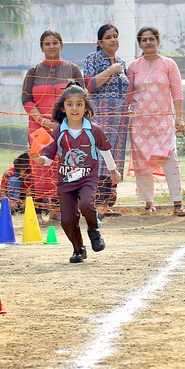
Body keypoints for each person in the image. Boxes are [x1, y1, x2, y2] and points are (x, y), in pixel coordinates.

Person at [35, 81, 120, 264]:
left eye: (79, 104)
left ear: (86, 107)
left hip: (87, 178)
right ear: (63, 108)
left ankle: (93, 229)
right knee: (67, 219)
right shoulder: (58, 132)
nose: (75, 108)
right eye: (70, 104)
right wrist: (39, 159)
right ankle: (78, 249)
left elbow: (105, 151)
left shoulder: (94, 130)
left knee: (87, 205)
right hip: (65, 181)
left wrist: (114, 171)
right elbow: (48, 157)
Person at [22, 30, 84, 218]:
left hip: (67, 126)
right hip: (38, 127)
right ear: (42, 47)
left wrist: (64, 119)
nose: (52, 47)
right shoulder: (33, 71)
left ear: (61, 45)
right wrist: (43, 121)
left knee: (65, 165)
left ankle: (59, 210)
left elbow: (81, 97)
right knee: (40, 166)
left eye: (55, 43)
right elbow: (26, 99)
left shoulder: (72, 69)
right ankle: (39, 212)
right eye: (47, 44)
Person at [127, 26, 185, 216]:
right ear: (139, 44)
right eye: (144, 40)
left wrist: (179, 118)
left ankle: (178, 203)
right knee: (142, 161)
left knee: (171, 158)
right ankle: (148, 203)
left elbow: (177, 93)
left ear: (158, 41)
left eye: (152, 39)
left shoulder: (169, 64)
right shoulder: (133, 66)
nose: (148, 42)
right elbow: (128, 94)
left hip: (163, 121)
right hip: (140, 122)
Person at [84, 23, 129, 215]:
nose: (113, 40)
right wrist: (110, 70)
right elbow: (89, 85)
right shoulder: (93, 59)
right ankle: (98, 202)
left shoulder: (122, 62)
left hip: (119, 115)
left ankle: (109, 200)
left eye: (116, 36)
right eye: (109, 37)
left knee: (117, 154)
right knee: (102, 155)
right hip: (101, 112)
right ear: (100, 41)